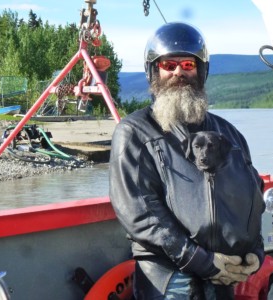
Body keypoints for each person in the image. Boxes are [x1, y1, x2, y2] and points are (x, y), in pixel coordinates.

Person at [109, 22, 265, 299]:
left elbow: (251, 199)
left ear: (201, 71)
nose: (179, 72)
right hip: (169, 278)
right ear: (154, 72)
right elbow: (140, 213)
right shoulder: (134, 131)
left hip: (224, 277)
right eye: (169, 65)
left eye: (187, 65)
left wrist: (256, 251)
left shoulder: (230, 135)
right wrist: (201, 262)